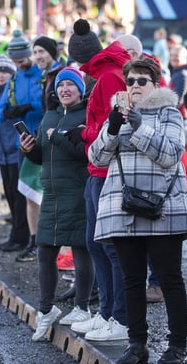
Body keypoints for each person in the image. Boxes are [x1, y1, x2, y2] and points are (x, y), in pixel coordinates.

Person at [88, 57, 187, 363]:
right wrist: (112, 128)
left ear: (155, 84)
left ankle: (176, 345)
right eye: (130, 81)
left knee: (169, 279)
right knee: (132, 281)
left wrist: (139, 127)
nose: (134, 86)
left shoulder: (169, 112)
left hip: (162, 208)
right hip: (123, 209)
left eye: (141, 81)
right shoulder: (118, 114)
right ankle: (137, 345)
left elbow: (171, 153)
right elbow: (97, 157)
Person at [66, 19, 132, 342]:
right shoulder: (103, 72)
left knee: (109, 246)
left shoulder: (107, 77)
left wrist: (84, 133)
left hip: (106, 170)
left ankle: (119, 317)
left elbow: (114, 126)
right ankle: (106, 312)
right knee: (96, 243)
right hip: (97, 169)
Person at [20, 67, 93, 341]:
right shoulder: (50, 115)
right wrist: (28, 147)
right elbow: (41, 156)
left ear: (80, 90)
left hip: (77, 190)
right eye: (61, 86)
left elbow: (84, 153)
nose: (64, 90)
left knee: (81, 249)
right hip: (51, 194)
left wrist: (57, 138)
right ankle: (46, 309)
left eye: (70, 86)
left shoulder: (86, 115)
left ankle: (82, 307)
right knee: (44, 250)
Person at [0, 30, 44, 261]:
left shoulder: (41, 75)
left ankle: (46, 243)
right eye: (15, 61)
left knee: (43, 194)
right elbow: (0, 108)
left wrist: (28, 106)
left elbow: (47, 103)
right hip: (22, 142)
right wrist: (5, 112)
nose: (18, 64)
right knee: (26, 192)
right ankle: (31, 240)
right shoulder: (15, 78)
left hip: (42, 141)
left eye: (22, 60)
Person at [0, 55, 29, 252]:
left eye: (6, 72)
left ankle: (20, 236)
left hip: (14, 151)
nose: (2, 75)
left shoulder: (12, 93)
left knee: (18, 195)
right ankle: (16, 233)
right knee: (9, 194)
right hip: (1, 153)